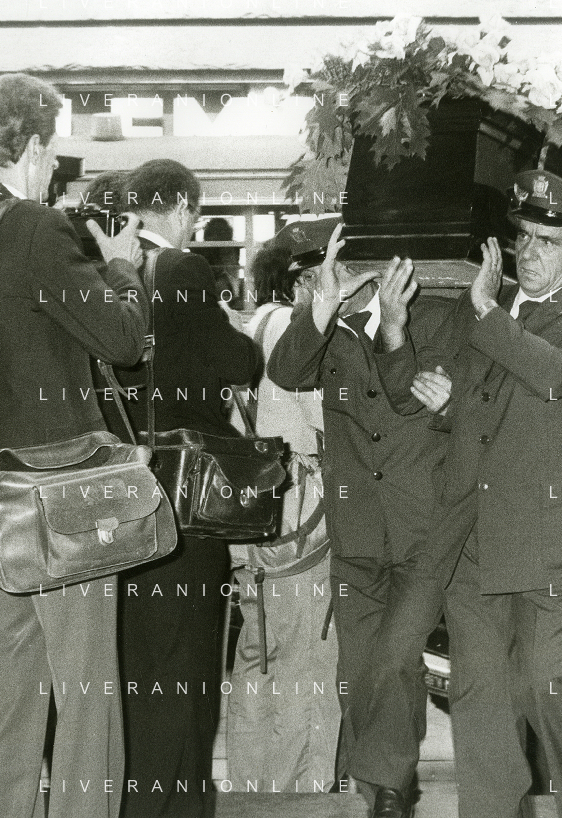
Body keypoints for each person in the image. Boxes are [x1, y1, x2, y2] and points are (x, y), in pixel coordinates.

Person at [377, 169, 562, 818]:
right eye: (523, 237)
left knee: (545, 680)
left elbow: (555, 375)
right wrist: (429, 379)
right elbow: (452, 404)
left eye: (548, 241)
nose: (529, 251)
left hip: (547, 533)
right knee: (479, 691)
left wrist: (489, 312)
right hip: (473, 531)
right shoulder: (490, 310)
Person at [0, 73, 147, 818]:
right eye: (51, 149)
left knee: (13, 685)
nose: (53, 165)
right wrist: (122, 266)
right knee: (88, 691)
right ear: (28, 147)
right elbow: (122, 341)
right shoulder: (36, 228)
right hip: (64, 490)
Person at [266, 217, 451, 818]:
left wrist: (394, 330)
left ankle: (390, 789)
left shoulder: (431, 315)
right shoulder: (323, 333)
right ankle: (383, 790)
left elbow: (418, 400)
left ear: (368, 267)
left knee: (396, 660)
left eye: (330, 269)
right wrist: (321, 306)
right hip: (356, 533)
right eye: (307, 278)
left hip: (423, 530)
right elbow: (284, 372)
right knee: (358, 669)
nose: (318, 284)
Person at [104, 159, 262, 818]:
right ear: (174, 204)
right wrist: (232, 329)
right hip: (184, 492)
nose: (193, 225)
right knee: (187, 660)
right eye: (192, 212)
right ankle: (177, 804)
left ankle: (134, 794)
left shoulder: (108, 266)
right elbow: (236, 362)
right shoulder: (180, 270)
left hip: (119, 486)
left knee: (134, 657)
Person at [227, 237, 339, 793]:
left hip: (256, 523)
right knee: (306, 664)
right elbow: (331, 423)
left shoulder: (255, 324)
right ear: (304, 282)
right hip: (300, 521)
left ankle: (252, 791)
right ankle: (300, 795)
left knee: (259, 658)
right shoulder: (297, 332)